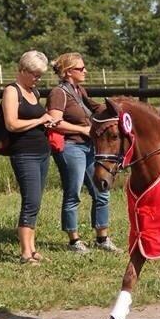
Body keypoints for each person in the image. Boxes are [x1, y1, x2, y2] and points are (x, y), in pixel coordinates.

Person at [47, 53, 118, 253]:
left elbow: (95, 107)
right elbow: (55, 121)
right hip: (72, 148)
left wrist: (119, 106)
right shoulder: (58, 93)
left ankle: (102, 238)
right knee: (74, 194)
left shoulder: (79, 90)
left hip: (88, 147)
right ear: (68, 72)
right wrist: (81, 130)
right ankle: (74, 240)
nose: (85, 71)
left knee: (101, 191)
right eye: (81, 68)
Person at [3, 51, 56, 265]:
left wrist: (46, 122)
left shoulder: (34, 91)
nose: (38, 79)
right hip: (24, 153)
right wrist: (40, 119)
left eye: (40, 75)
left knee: (36, 201)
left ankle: (32, 249)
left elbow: (34, 118)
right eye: (34, 74)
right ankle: (25, 253)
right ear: (22, 71)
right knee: (30, 200)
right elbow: (12, 124)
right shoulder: (11, 91)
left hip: (42, 151)